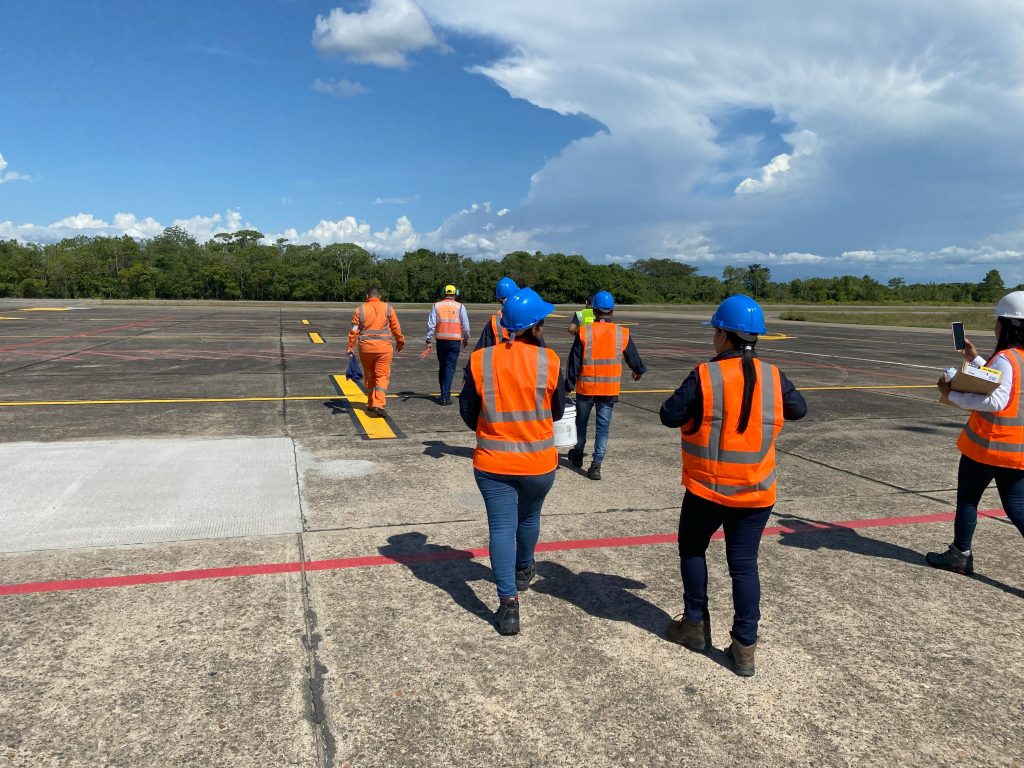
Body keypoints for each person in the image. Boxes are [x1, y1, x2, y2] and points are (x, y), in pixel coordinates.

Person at [659, 295, 807, 677]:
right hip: (756, 491)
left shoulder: (706, 375)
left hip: (708, 491)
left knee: (693, 549)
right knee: (744, 566)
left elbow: (669, 415)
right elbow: (798, 408)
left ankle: (695, 625)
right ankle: (744, 649)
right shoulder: (773, 376)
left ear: (723, 335)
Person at [459, 287, 565, 635]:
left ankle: (508, 606)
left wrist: (491, 426)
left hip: (494, 463)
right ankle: (523, 570)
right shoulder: (550, 360)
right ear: (537, 326)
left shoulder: (482, 359)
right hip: (538, 462)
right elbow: (557, 411)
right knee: (529, 517)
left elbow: (467, 409)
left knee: (501, 529)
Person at [928, 291, 1024, 574]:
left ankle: (959, 555)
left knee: (968, 500)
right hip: (1017, 449)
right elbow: (1007, 382)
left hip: (988, 446)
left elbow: (997, 400)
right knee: (1017, 506)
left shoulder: (1005, 357)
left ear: (1007, 325)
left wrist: (952, 394)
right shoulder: (1016, 358)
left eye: (998, 320)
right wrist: (976, 358)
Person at [565, 290, 646, 480]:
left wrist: (568, 383)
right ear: (612, 311)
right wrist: (638, 370)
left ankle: (577, 455)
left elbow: (574, 362)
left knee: (581, 424)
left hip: (586, 390)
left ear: (593, 311)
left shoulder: (584, 332)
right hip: (608, 391)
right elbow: (633, 357)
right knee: (602, 428)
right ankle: (596, 465)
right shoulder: (622, 333)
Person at [347, 286, 404, 417]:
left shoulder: (359, 310)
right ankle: (378, 404)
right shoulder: (388, 308)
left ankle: (371, 402)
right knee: (381, 376)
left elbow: (354, 330)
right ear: (380, 296)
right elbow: (396, 327)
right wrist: (400, 341)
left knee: (369, 375)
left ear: (367, 296)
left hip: (365, 348)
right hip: (384, 349)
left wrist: (350, 346)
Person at [425, 284, 470, 405]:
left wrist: (428, 339)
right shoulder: (460, 306)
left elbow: (431, 324)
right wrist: (466, 338)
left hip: (441, 341)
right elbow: (466, 326)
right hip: (454, 341)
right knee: (450, 367)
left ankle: (443, 393)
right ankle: (445, 396)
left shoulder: (436, 305)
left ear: (443, 293)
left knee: (443, 366)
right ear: (456, 293)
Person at [473, 276, 518, 350]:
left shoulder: (495, 322)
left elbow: (480, 351)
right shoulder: (530, 318)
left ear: (499, 299)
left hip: (500, 356)